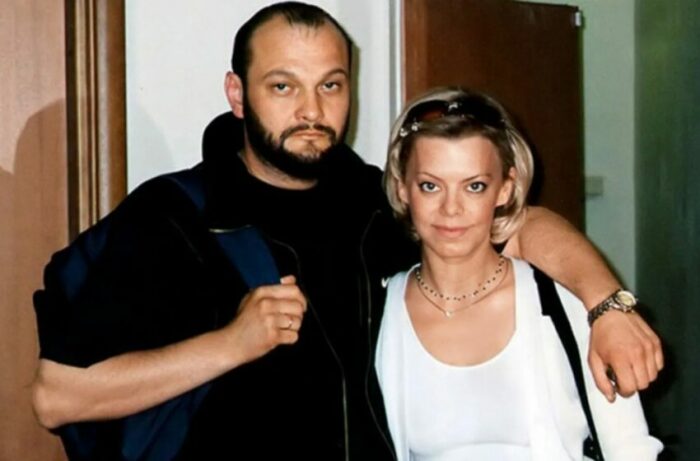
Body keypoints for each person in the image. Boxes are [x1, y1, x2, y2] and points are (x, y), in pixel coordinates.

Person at [31, 2, 661, 459]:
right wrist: (231, 343)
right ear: (238, 93)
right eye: (283, 86)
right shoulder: (172, 218)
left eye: (330, 85)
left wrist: (607, 306)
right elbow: (58, 396)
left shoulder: (369, 200)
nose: (311, 110)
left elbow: (515, 225)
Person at [376, 87, 663, 460]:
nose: (451, 209)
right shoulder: (377, 314)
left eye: (474, 186)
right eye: (430, 186)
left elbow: (632, 450)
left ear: (505, 189)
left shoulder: (563, 300)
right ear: (402, 188)